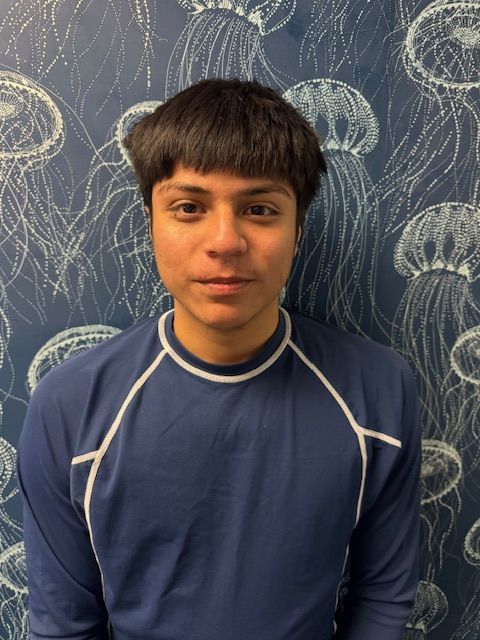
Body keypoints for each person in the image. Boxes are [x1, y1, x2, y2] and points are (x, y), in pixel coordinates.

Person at [17, 78, 421, 640]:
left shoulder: (379, 389)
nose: (225, 241)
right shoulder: (70, 405)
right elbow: (63, 624)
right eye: (188, 207)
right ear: (152, 224)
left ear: (297, 230)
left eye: (259, 208)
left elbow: (382, 593)